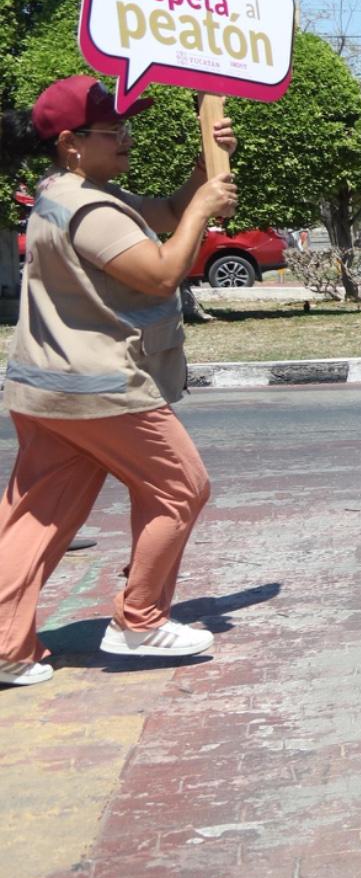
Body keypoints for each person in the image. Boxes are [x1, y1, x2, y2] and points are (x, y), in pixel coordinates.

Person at [0, 77, 237, 687]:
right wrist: (207, 208)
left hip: (47, 387)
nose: (127, 138)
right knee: (181, 488)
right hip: (99, 388)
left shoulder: (66, 191)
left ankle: (4, 645)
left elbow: (158, 213)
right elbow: (159, 273)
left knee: (37, 518)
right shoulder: (89, 207)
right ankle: (140, 620)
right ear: (72, 143)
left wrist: (202, 169)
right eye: (114, 131)